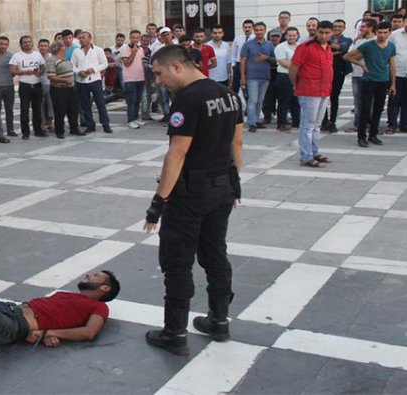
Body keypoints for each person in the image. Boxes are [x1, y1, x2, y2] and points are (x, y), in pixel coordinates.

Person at [143, 45, 243, 356]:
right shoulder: (228, 93)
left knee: (177, 263)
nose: (158, 80)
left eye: (159, 73)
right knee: (215, 255)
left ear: (176, 66)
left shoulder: (187, 98)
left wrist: (158, 203)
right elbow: (236, 142)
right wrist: (235, 183)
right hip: (222, 189)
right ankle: (219, 321)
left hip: (190, 194)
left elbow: (178, 152)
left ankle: (174, 333)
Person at [345, 21, 397, 148]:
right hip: (368, 80)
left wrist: (393, 84)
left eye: (385, 33)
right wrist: (361, 64)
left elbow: (392, 65)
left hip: (383, 81)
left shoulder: (391, 46)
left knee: (378, 109)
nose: (382, 35)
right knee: (365, 109)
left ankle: (373, 135)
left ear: (389, 33)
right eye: (380, 32)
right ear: (376, 32)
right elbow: (347, 56)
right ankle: (361, 137)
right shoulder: (368, 45)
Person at [290, 20, 334, 167]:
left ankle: (314, 152)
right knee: (307, 125)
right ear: (317, 31)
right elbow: (294, 67)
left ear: (332, 33)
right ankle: (306, 156)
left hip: (324, 90)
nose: (323, 35)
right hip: (309, 90)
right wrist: (296, 85)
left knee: (316, 124)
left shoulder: (328, 48)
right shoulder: (305, 46)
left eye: (327, 33)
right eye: (321, 32)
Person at [72, 31, 113, 134]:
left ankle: (105, 124)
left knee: (100, 103)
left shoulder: (98, 50)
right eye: (80, 38)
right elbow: (72, 65)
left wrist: (93, 69)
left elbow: (104, 64)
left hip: (95, 80)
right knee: (85, 104)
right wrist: (79, 72)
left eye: (83, 37)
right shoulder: (76, 51)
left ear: (89, 39)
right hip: (81, 81)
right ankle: (90, 124)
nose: (81, 40)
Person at [10, 35, 47, 139]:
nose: (27, 44)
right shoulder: (17, 56)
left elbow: (43, 66)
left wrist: (40, 71)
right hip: (24, 85)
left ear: (32, 43)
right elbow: (12, 70)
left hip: (37, 84)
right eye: (25, 42)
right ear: (21, 44)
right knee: (24, 110)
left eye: (29, 42)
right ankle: (25, 132)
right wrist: (24, 72)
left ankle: (38, 130)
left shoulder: (37, 54)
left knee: (37, 110)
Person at [240, 22, 275, 132]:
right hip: (252, 77)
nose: (259, 32)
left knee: (260, 100)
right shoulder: (248, 44)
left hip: (265, 76)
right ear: (254, 31)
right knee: (253, 100)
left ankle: (256, 120)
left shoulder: (269, 45)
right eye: (257, 30)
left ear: (265, 31)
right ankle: (252, 122)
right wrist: (243, 77)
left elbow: (274, 60)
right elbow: (243, 61)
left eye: (261, 30)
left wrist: (266, 57)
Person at [47, 41, 85, 138]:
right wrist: (65, 80)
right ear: (60, 48)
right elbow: (50, 76)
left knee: (73, 110)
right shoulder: (51, 59)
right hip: (59, 90)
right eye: (63, 46)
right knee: (60, 111)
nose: (65, 48)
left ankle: (74, 128)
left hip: (70, 89)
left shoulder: (64, 59)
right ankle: (59, 131)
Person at [320, 19, 352, 134]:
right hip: (325, 71)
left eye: (340, 26)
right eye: (335, 26)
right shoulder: (328, 38)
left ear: (344, 28)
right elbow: (337, 50)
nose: (337, 28)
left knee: (334, 97)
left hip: (339, 71)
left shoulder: (347, 40)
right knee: (323, 96)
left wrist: (330, 48)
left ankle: (332, 121)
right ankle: (323, 120)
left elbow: (343, 48)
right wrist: (337, 51)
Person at [347, 19, 377, 133]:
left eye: (363, 26)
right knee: (358, 101)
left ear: (370, 28)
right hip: (357, 73)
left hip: (371, 74)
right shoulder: (358, 40)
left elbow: (357, 56)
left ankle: (370, 124)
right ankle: (358, 124)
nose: (361, 29)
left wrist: (356, 55)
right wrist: (356, 42)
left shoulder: (375, 40)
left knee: (371, 101)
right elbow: (349, 54)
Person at [274, 27, 300, 132]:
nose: (292, 37)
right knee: (284, 102)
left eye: (294, 35)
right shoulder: (280, 47)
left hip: (297, 77)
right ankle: (281, 124)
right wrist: (299, 67)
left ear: (297, 36)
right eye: (289, 35)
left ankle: (296, 123)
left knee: (296, 102)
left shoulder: (300, 46)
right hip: (284, 77)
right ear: (285, 36)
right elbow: (282, 62)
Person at [120, 29, 147, 129]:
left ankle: (135, 117)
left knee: (137, 100)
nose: (135, 39)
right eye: (133, 37)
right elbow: (127, 63)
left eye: (137, 37)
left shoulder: (141, 49)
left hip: (140, 77)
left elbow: (142, 63)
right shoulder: (125, 48)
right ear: (130, 38)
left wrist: (145, 77)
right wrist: (133, 52)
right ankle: (130, 119)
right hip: (130, 79)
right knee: (131, 100)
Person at [388, 18, 407, 133]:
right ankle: (392, 124)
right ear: (405, 22)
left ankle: (404, 124)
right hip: (397, 72)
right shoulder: (395, 35)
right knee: (394, 99)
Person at [231, 19, 254, 98]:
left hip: (250, 65)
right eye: (245, 27)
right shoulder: (238, 38)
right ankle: (235, 102)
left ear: (252, 28)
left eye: (249, 27)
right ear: (243, 28)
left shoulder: (255, 39)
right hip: (238, 65)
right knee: (236, 85)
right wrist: (234, 65)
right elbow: (233, 53)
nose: (247, 29)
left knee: (250, 85)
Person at [38, 38, 55, 133]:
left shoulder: (52, 57)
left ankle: (50, 124)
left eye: (45, 46)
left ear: (48, 47)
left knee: (50, 105)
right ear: (38, 46)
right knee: (40, 105)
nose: (43, 47)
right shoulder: (35, 56)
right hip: (38, 84)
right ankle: (42, 123)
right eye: (41, 45)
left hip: (50, 84)